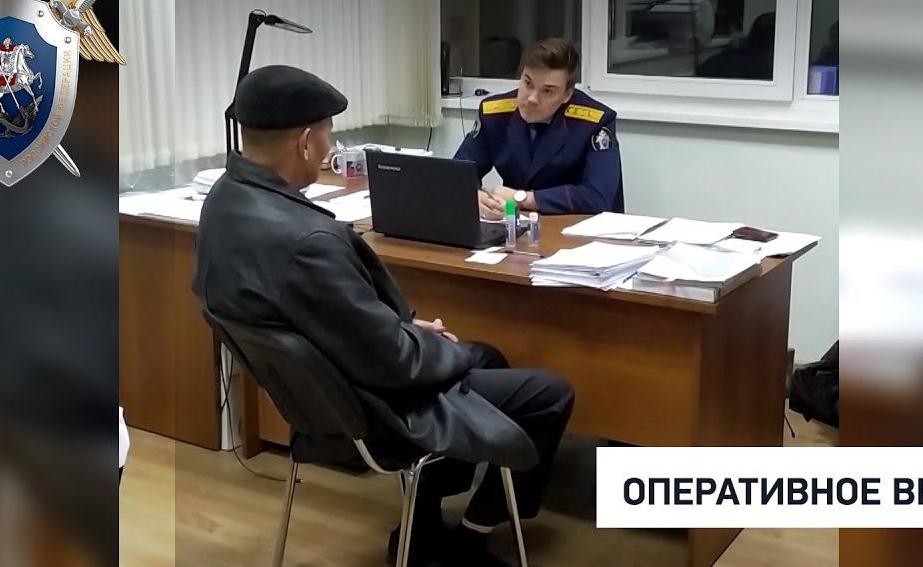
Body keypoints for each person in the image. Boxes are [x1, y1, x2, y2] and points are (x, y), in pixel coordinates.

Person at [193, 65, 574, 567]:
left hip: (313, 400)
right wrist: (431, 343)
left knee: (488, 356)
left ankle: (422, 521)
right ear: (305, 142)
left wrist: (404, 328)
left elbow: (322, 315)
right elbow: (395, 361)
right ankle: (471, 537)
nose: (329, 148)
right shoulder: (309, 241)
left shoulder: (224, 201)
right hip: (373, 409)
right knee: (549, 394)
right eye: (327, 134)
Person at [454, 38, 623, 218]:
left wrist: (523, 198)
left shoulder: (594, 123)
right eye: (528, 83)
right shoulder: (495, 115)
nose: (532, 98)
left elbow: (597, 197)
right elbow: (456, 175)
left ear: (567, 94)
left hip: (575, 227)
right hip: (517, 226)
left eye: (547, 91)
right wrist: (474, 196)